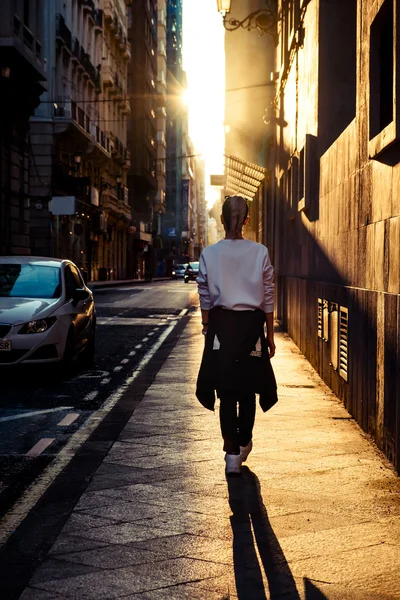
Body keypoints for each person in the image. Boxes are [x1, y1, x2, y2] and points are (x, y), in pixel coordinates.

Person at [196, 195, 277, 475]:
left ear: (221, 220)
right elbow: (267, 294)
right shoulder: (260, 252)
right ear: (246, 220)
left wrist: (208, 325)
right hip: (253, 327)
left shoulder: (209, 254)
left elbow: (204, 294)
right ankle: (243, 442)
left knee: (225, 388)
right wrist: (270, 333)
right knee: (248, 387)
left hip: (221, 327)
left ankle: (231, 452)